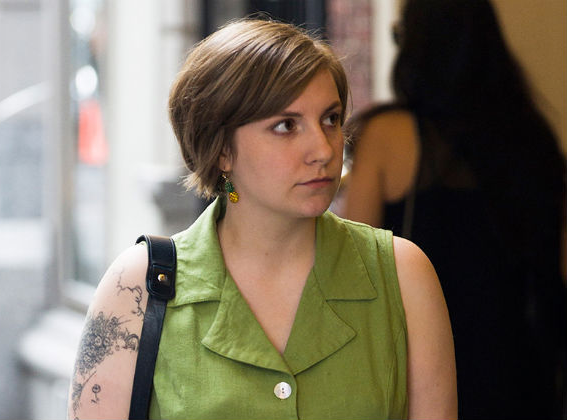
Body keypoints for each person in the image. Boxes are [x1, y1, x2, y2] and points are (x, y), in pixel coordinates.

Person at [68, 18, 457, 420]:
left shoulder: (402, 276)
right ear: (222, 150)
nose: (323, 150)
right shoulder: (141, 287)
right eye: (286, 126)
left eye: (330, 119)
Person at [341, 1, 567, 419]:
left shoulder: (388, 135)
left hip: (427, 370)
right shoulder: (534, 139)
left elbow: (352, 267)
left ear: (418, 47)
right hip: (525, 374)